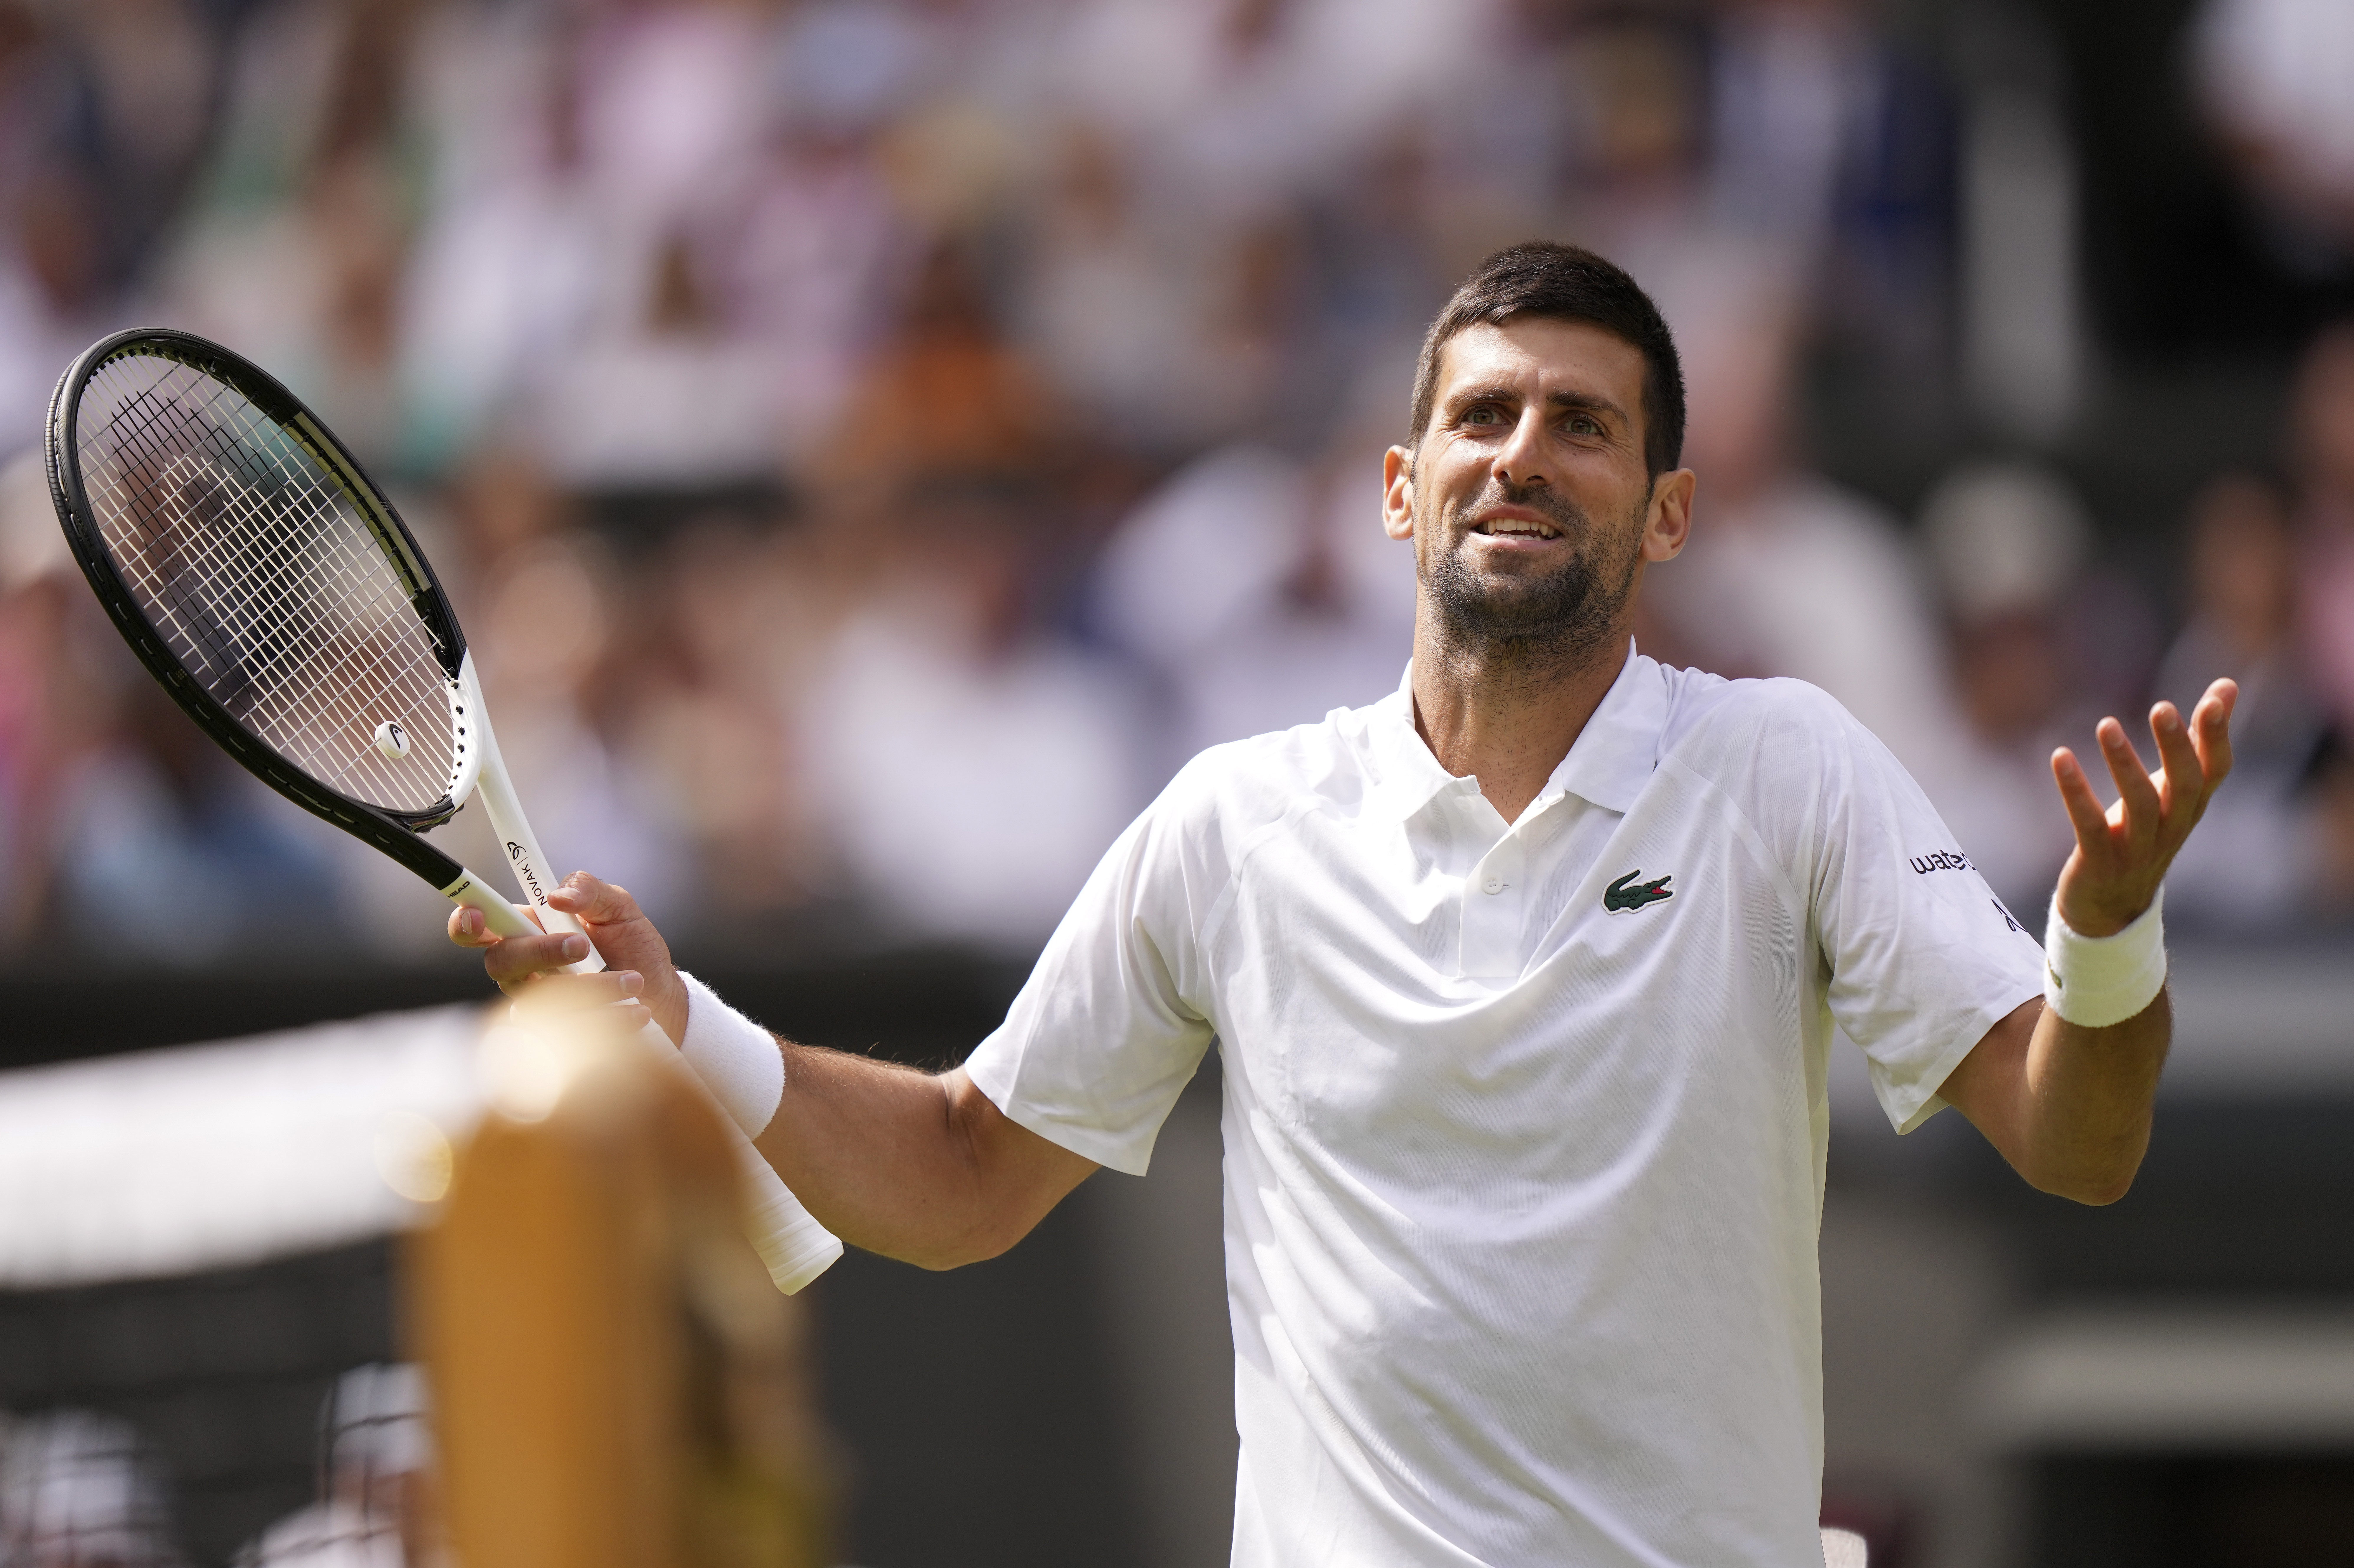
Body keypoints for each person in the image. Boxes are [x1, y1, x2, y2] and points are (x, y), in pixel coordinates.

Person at [453, 243, 2237, 1565]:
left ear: (1670, 508)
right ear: (1403, 488)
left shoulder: (1788, 769)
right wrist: (684, 1017)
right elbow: (966, 1167)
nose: (1524, 450)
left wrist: (2109, 934)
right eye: (1484, 414)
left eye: (1585, 425)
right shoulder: (1238, 820)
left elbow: (2076, 1140)